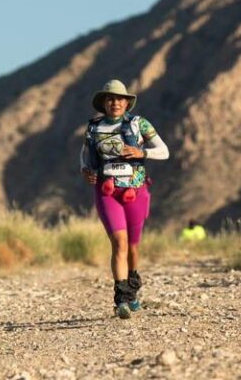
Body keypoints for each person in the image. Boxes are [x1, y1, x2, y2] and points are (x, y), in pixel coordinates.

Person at [80, 79, 169, 318]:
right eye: (110, 99)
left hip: (136, 191)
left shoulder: (140, 124)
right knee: (119, 242)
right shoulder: (94, 128)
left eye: (120, 99)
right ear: (104, 103)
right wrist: (86, 170)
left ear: (127, 102)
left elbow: (164, 151)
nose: (115, 102)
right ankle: (121, 300)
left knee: (132, 247)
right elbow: (85, 155)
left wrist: (142, 152)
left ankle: (132, 286)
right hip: (107, 191)